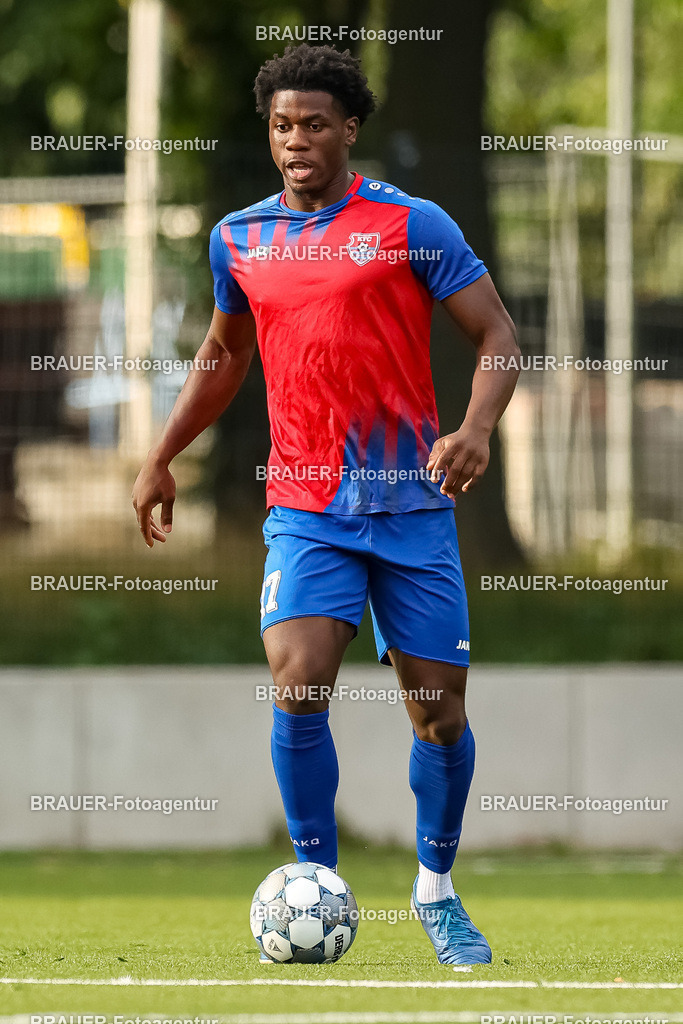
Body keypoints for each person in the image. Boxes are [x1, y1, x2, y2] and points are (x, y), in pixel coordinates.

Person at [132, 43, 520, 967]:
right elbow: (224, 359)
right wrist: (160, 454)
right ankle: (318, 882)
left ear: (349, 129)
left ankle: (435, 889)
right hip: (305, 502)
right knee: (298, 681)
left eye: (313, 124)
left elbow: (498, 333)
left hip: (412, 506)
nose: (296, 140)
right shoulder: (238, 239)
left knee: (438, 714)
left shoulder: (411, 224)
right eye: (280, 126)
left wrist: (475, 428)